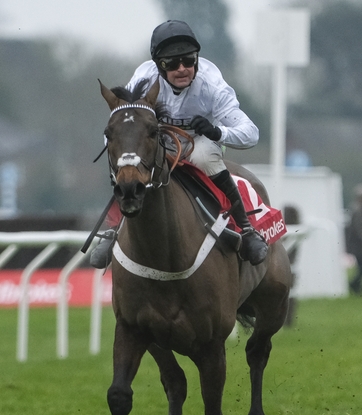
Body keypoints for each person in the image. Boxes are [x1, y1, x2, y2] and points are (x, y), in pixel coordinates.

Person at [90, 19, 267, 268]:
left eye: (189, 60)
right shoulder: (143, 78)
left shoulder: (212, 85)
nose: (182, 68)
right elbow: (120, 125)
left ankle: (247, 230)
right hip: (157, 141)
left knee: (205, 156)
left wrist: (217, 132)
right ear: (158, 67)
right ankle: (112, 229)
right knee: (129, 166)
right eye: (172, 64)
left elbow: (251, 134)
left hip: (200, 142)